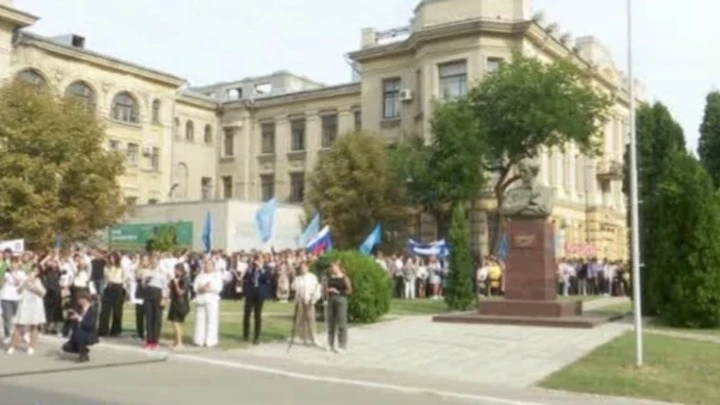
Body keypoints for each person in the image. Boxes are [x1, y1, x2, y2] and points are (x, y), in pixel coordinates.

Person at [6, 264, 46, 355]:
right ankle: (13, 345)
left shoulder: (39, 280)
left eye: (36, 270)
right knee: (18, 325)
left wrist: (34, 285)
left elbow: (43, 293)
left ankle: (31, 346)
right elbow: (18, 291)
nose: (34, 272)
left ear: (39, 272)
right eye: (33, 270)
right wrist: (25, 282)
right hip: (24, 303)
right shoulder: (25, 279)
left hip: (36, 304)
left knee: (34, 326)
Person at [290, 261, 321, 346]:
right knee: (299, 317)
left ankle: (312, 337)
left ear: (307, 268)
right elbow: (293, 286)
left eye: (304, 267)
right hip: (300, 299)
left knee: (310, 318)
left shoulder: (312, 277)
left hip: (309, 299)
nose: (302, 269)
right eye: (301, 268)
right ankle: (299, 336)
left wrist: (314, 299)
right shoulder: (298, 278)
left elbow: (317, 288)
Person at [242, 255, 271, 345]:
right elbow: (246, 278)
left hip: (259, 293)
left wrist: (261, 268)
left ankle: (256, 337)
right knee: (247, 314)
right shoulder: (251, 268)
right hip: (250, 292)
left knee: (257, 315)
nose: (257, 261)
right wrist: (250, 269)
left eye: (259, 259)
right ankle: (245, 334)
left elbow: (267, 278)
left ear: (263, 260)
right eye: (256, 259)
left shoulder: (267, 268)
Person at [142, 257, 170, 350]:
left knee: (157, 319)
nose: (153, 263)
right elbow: (143, 284)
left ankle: (155, 341)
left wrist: (164, 298)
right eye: (152, 261)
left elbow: (165, 286)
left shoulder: (162, 272)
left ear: (158, 262)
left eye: (155, 261)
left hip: (158, 294)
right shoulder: (147, 271)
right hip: (148, 294)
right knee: (149, 318)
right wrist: (145, 279)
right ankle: (149, 341)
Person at [192, 260, 222, 348]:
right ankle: (199, 340)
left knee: (211, 320)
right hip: (201, 299)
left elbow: (219, 288)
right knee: (200, 320)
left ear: (213, 266)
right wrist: (201, 288)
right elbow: (195, 287)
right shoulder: (200, 276)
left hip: (212, 299)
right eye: (206, 264)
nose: (207, 266)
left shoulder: (216, 276)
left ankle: (210, 341)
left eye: (209, 264)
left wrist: (209, 289)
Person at [62, 291, 98, 362]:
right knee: (66, 347)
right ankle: (84, 350)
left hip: (89, 333)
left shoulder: (92, 310)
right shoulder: (79, 309)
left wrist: (79, 318)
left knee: (79, 334)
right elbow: (72, 322)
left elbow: (89, 325)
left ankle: (83, 355)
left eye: (79, 299)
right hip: (77, 334)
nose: (78, 301)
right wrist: (71, 316)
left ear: (84, 300)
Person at [326, 261, 352, 354]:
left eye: (334, 267)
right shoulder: (330, 278)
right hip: (330, 299)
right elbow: (324, 288)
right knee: (331, 322)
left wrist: (338, 292)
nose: (332, 268)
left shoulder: (344, 278)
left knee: (341, 322)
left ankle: (342, 344)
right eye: (332, 267)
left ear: (338, 267)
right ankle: (330, 343)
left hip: (341, 299)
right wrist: (327, 290)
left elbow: (349, 291)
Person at [98, 252, 124, 337]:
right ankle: (103, 330)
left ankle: (116, 330)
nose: (111, 260)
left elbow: (125, 276)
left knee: (117, 310)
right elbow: (107, 276)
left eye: (113, 258)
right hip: (109, 287)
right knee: (105, 310)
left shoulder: (121, 267)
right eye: (110, 258)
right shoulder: (106, 267)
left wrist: (121, 283)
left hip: (118, 287)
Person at [1, 256, 26, 344]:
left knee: (19, 317)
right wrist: (3, 273)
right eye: (12, 263)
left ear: (18, 264)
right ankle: (8, 335)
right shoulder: (6, 273)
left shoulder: (22, 273)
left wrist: (12, 273)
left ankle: (23, 334)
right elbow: (1, 284)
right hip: (6, 297)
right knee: (7, 318)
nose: (13, 264)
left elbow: (18, 283)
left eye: (15, 263)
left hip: (17, 297)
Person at [168, 263, 190, 350]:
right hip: (174, 302)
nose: (176, 271)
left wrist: (176, 284)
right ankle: (176, 342)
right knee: (174, 323)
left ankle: (180, 343)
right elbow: (169, 286)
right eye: (175, 269)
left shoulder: (185, 280)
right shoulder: (176, 278)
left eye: (177, 269)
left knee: (176, 323)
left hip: (181, 304)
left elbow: (181, 292)